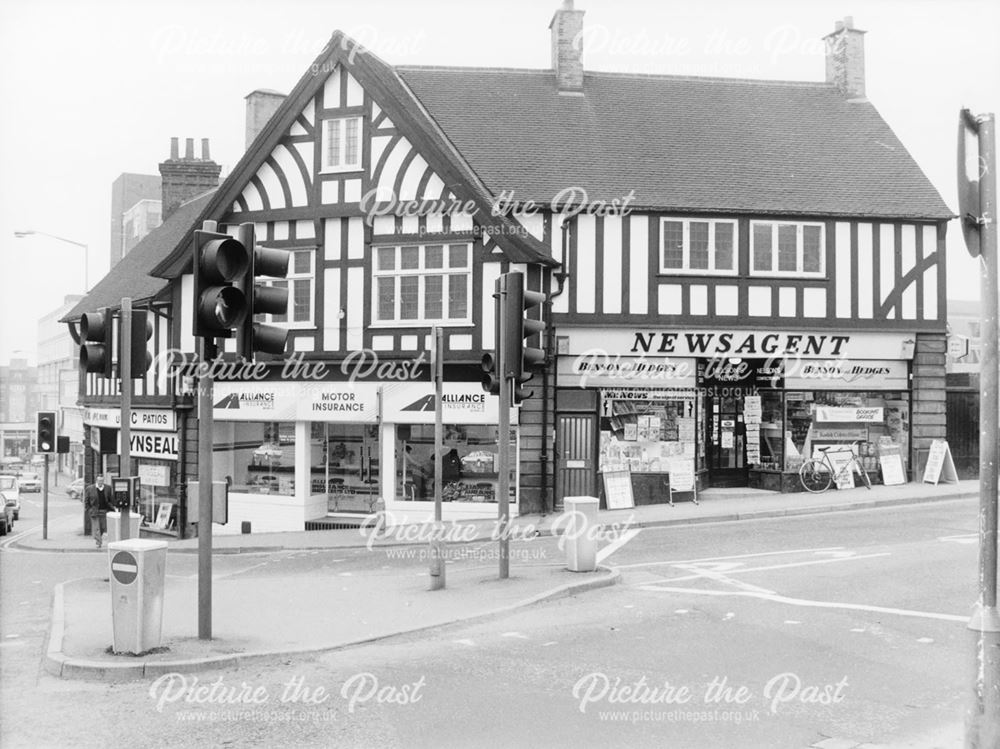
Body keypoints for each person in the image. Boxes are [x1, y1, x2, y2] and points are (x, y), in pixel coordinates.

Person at [85, 474, 113, 548]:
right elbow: (86, 501)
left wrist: (112, 507)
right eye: (99, 480)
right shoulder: (90, 489)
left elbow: (110, 499)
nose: (101, 482)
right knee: (96, 528)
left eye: (102, 480)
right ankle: (99, 542)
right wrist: (89, 510)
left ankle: (99, 538)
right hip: (95, 511)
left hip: (104, 510)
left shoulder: (108, 488)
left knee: (103, 527)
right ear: (96, 481)